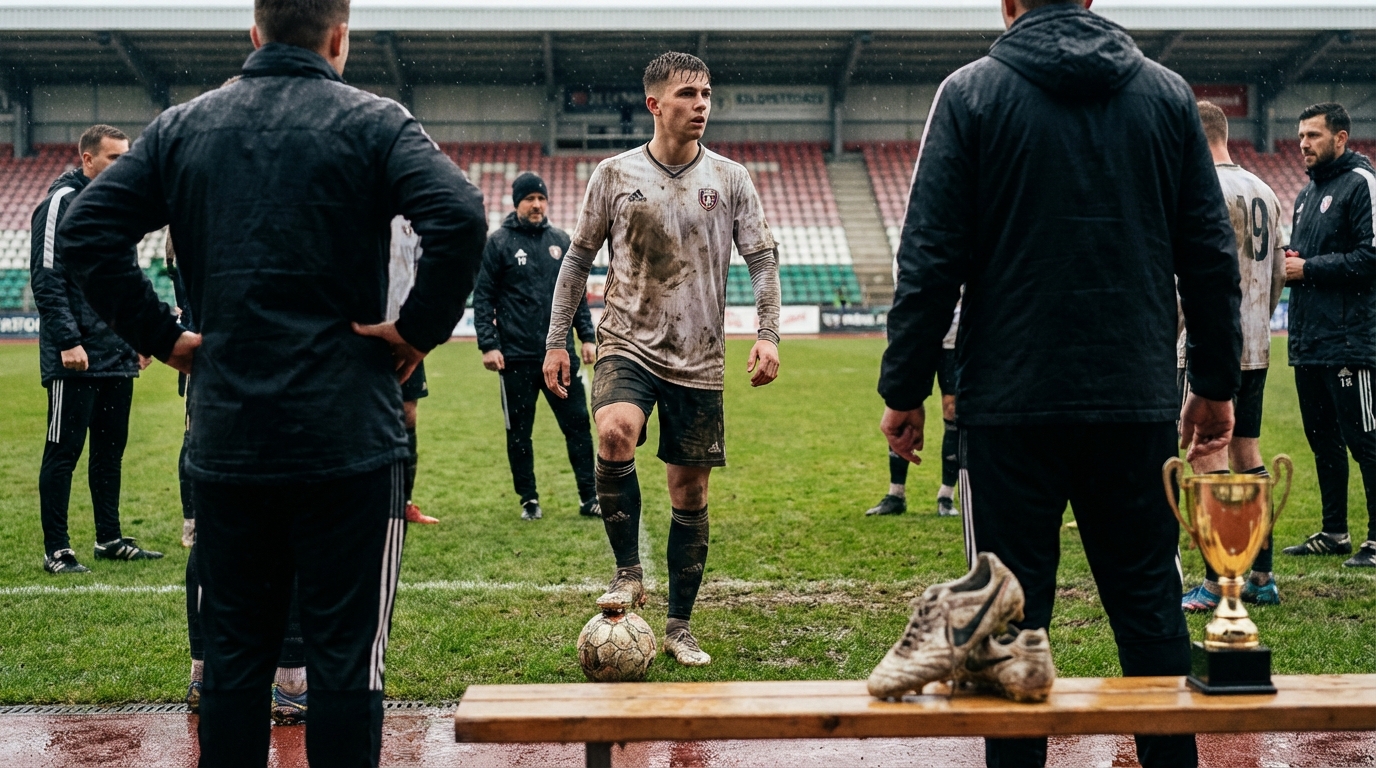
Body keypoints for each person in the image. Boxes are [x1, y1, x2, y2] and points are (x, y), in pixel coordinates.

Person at [55, 0, 488, 763]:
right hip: (348, 435)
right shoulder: (377, 121)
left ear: (254, 33)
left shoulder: (185, 126)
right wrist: (417, 331)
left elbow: (86, 234)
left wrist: (166, 338)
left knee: (233, 669)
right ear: (340, 37)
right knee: (348, 671)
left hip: (229, 436)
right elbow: (457, 214)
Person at [876, 1, 1241, 766]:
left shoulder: (970, 92)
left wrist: (904, 386)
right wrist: (1212, 377)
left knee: (1004, 622)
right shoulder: (1167, 94)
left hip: (1010, 404)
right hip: (1134, 396)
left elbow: (931, 254)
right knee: (1148, 607)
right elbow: (1209, 249)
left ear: (1007, 3)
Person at [544, 51, 781, 667]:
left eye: (706, 93)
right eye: (687, 94)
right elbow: (577, 260)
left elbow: (761, 258)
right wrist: (555, 342)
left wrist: (768, 332)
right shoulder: (615, 175)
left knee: (689, 491)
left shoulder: (730, 178)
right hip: (627, 341)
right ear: (655, 104)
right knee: (615, 430)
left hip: (699, 357)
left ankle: (678, 624)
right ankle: (627, 572)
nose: (701, 104)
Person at [169, 235, 310, 725]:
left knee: (215, 539)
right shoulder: (292, 201)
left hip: (216, 394)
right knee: (290, 532)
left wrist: (159, 333)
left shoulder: (202, 190)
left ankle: (205, 675)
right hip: (288, 386)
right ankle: (291, 682)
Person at [30, 123, 160, 575]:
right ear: (87, 160)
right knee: (63, 450)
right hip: (76, 355)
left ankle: (108, 538)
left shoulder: (116, 207)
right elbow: (47, 277)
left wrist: (140, 337)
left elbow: (126, 280)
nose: (123, 166)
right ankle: (57, 550)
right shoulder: (61, 203)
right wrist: (68, 340)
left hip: (116, 353)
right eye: (114, 159)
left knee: (110, 451)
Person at [1178, 101, 1286, 611]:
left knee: (1207, 454)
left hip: (1209, 342)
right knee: (1248, 453)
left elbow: (1191, 277)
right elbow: (1281, 273)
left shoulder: (1202, 188)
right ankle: (1261, 575)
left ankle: (1221, 579)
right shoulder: (1263, 189)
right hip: (1256, 342)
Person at [1280, 102, 1376, 569]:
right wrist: (1293, 263)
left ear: (1340, 138)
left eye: (1313, 135)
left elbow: (1370, 259)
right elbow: (1308, 263)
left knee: (1366, 439)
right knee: (1322, 439)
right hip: (1309, 340)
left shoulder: (1362, 184)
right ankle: (1335, 531)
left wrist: (1307, 268)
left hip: (1350, 340)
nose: (1303, 144)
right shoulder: (1303, 196)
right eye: (1300, 136)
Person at [473, 173, 599, 521]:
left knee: (578, 428)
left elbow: (577, 295)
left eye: (540, 198)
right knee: (519, 434)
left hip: (561, 356)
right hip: (515, 358)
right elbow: (483, 298)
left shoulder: (561, 240)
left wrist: (587, 336)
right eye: (529, 198)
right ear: (517, 203)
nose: (536, 204)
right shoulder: (498, 243)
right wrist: (489, 344)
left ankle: (590, 497)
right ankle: (528, 499)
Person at [867, 300, 961, 518]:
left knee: (952, 408)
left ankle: (946, 495)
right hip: (915, 335)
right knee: (903, 404)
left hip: (955, 335)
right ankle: (895, 494)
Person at [387, 215, 440, 525]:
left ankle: (403, 502)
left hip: (404, 335)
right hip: (361, 334)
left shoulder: (411, 218)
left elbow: (425, 269)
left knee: (408, 415)